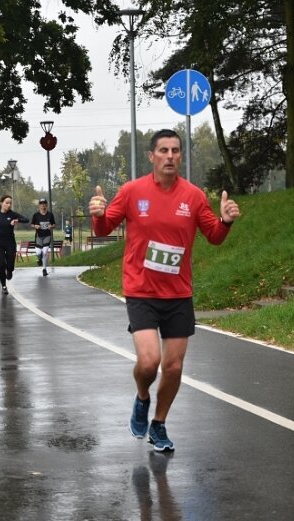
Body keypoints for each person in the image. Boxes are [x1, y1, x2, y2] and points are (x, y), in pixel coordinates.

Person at [89, 129, 241, 452]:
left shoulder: (194, 196)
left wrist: (225, 222)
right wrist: (98, 215)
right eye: (163, 150)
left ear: (181, 156)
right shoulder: (132, 192)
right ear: (151, 156)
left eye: (175, 151)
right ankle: (142, 397)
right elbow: (104, 228)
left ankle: (158, 424)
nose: (170, 156)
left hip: (178, 293)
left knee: (172, 367)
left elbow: (212, 235)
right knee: (149, 362)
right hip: (141, 289)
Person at [0, 194, 29, 294]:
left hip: (10, 243)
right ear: (1, 203)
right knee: (1, 265)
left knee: (10, 265)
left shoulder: (12, 214)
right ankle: (4, 286)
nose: (8, 205)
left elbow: (26, 219)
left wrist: (16, 220)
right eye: (6, 203)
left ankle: (9, 271)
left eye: (10, 203)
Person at [31, 198, 56, 276]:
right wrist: (35, 226)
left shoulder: (50, 214)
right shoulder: (36, 215)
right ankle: (39, 259)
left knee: (45, 252)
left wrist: (51, 226)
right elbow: (32, 224)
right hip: (39, 236)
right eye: (41, 204)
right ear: (39, 205)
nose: (43, 205)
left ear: (47, 205)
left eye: (44, 204)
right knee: (39, 252)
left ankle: (44, 269)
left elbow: (54, 224)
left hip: (47, 236)